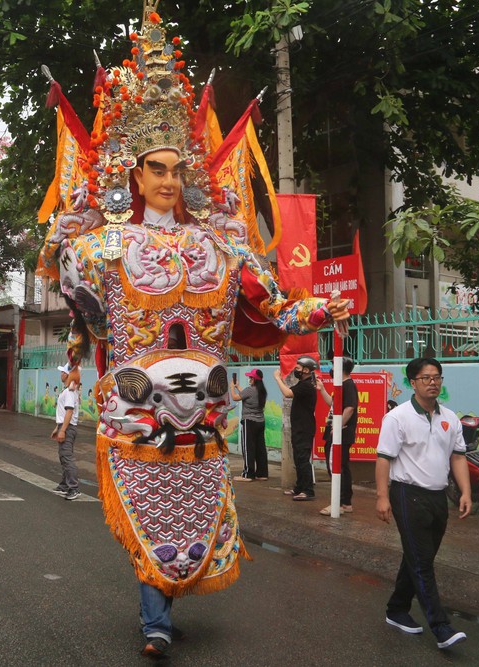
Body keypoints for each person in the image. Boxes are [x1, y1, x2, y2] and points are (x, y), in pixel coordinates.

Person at [36, 5, 351, 658]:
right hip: (137, 413)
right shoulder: (104, 246)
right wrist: (70, 251)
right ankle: (155, 618)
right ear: (133, 173)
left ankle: (160, 607)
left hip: (204, 417)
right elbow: (77, 295)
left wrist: (322, 311)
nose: (169, 180)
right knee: (150, 516)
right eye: (157, 168)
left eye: (177, 169)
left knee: (184, 523)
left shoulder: (219, 245)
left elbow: (275, 309)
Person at [376, 357, 470, 649]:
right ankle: (440, 627)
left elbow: (458, 457)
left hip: (437, 496)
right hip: (407, 494)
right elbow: (384, 459)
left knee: (419, 557)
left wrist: (465, 492)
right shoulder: (398, 417)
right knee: (422, 561)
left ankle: (396, 609)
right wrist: (382, 497)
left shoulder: (450, 417)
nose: (433, 382)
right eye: (426, 378)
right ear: (412, 383)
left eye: (437, 377)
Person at [274, 357, 330, 501]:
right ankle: (299, 487)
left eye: (298, 368)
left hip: (304, 428)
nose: (296, 370)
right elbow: (290, 391)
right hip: (299, 427)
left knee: (303, 460)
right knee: (298, 459)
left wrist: (278, 379)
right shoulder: (303, 383)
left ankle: (308, 490)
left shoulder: (306, 385)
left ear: (306, 370)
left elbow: (288, 394)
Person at [319, 357, 358, 515]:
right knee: (341, 467)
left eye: (334, 366)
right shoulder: (341, 386)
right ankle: (345, 502)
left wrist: (338, 426)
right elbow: (333, 405)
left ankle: (339, 503)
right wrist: (322, 389)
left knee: (335, 466)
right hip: (337, 433)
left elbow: (350, 408)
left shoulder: (348, 385)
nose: (331, 369)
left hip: (340, 434)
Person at [230, 369, 269, 482]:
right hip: (260, 421)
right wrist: (238, 387)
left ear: (255, 379)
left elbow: (235, 397)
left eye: (251, 377)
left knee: (248, 448)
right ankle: (262, 473)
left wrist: (232, 387)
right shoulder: (261, 391)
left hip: (249, 422)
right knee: (260, 448)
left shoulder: (249, 390)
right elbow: (246, 395)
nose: (249, 379)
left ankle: (248, 474)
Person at [52, 363, 81, 501]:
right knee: (63, 457)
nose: (61, 374)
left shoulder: (70, 392)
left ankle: (73, 488)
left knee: (67, 457)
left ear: (69, 375)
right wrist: (57, 428)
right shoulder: (68, 390)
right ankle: (64, 485)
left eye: (63, 372)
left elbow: (69, 411)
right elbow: (63, 412)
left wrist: (63, 430)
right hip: (64, 426)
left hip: (68, 428)